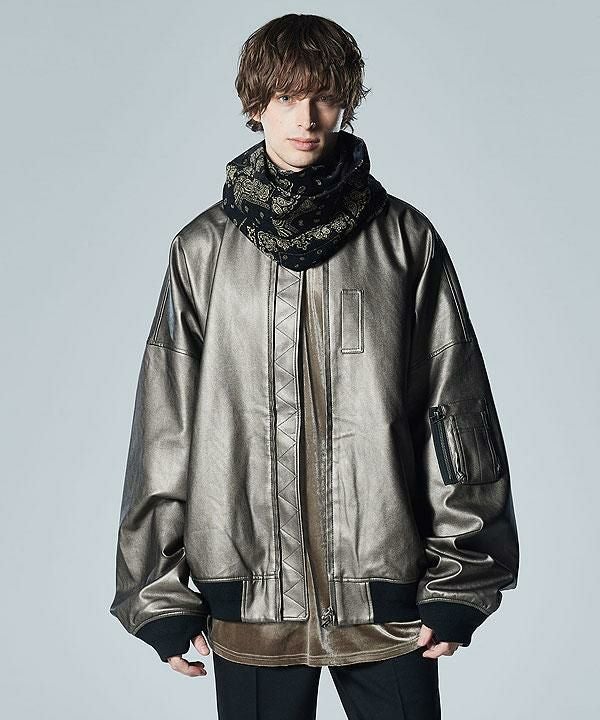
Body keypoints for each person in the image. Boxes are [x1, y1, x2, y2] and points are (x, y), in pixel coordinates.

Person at [109, 13, 519, 720]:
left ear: (345, 103)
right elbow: (164, 429)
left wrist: (461, 580)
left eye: (324, 97)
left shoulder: (404, 239)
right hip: (248, 605)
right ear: (256, 104)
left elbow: (455, 411)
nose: (306, 117)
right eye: (286, 97)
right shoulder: (202, 251)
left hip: (387, 599)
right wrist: (158, 594)